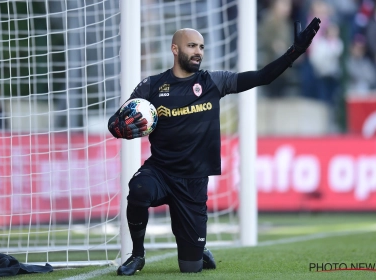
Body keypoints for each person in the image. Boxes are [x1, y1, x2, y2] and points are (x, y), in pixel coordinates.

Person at [108, 17, 321, 275]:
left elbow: (262, 77)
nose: (198, 52)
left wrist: (295, 51)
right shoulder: (152, 86)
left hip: (194, 182)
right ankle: (137, 255)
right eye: (192, 46)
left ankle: (198, 248)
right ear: (175, 49)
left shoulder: (214, 82)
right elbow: (118, 119)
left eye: (201, 47)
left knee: (190, 268)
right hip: (161, 172)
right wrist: (118, 128)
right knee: (139, 189)